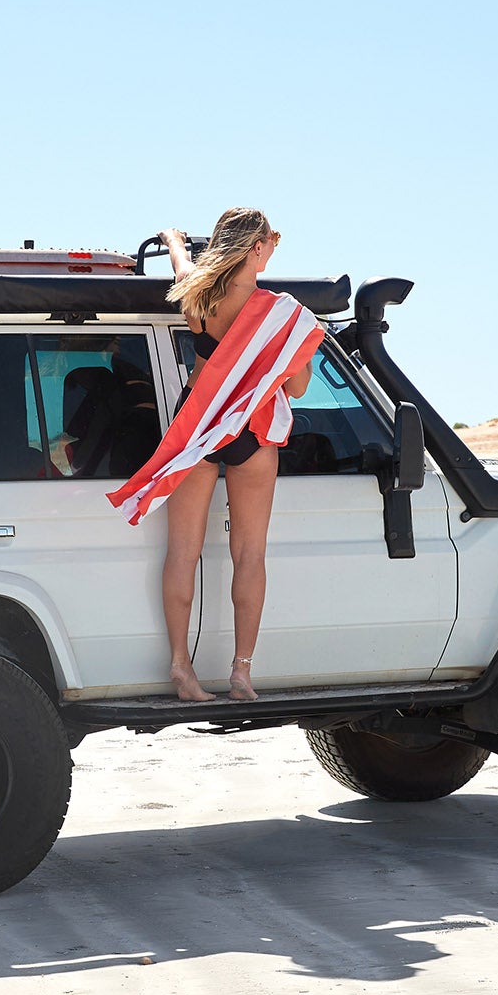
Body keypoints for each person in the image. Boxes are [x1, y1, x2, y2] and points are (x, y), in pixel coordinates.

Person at [155, 211, 314, 703]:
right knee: (249, 554)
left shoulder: (198, 296)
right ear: (257, 248)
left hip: (200, 420)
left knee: (182, 552)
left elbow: (182, 266)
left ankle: (181, 666)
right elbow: (298, 388)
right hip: (252, 425)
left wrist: (174, 240)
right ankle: (241, 672)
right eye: (271, 243)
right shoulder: (282, 313)